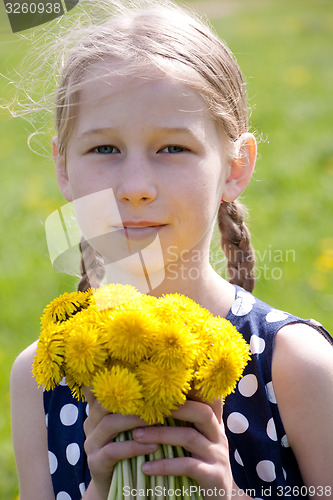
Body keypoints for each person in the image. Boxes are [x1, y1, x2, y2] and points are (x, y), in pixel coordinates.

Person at [10, 1, 333, 499]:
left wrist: (228, 493)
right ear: (63, 167)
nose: (135, 186)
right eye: (104, 149)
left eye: (172, 148)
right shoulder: (41, 381)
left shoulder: (295, 365)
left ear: (235, 167)